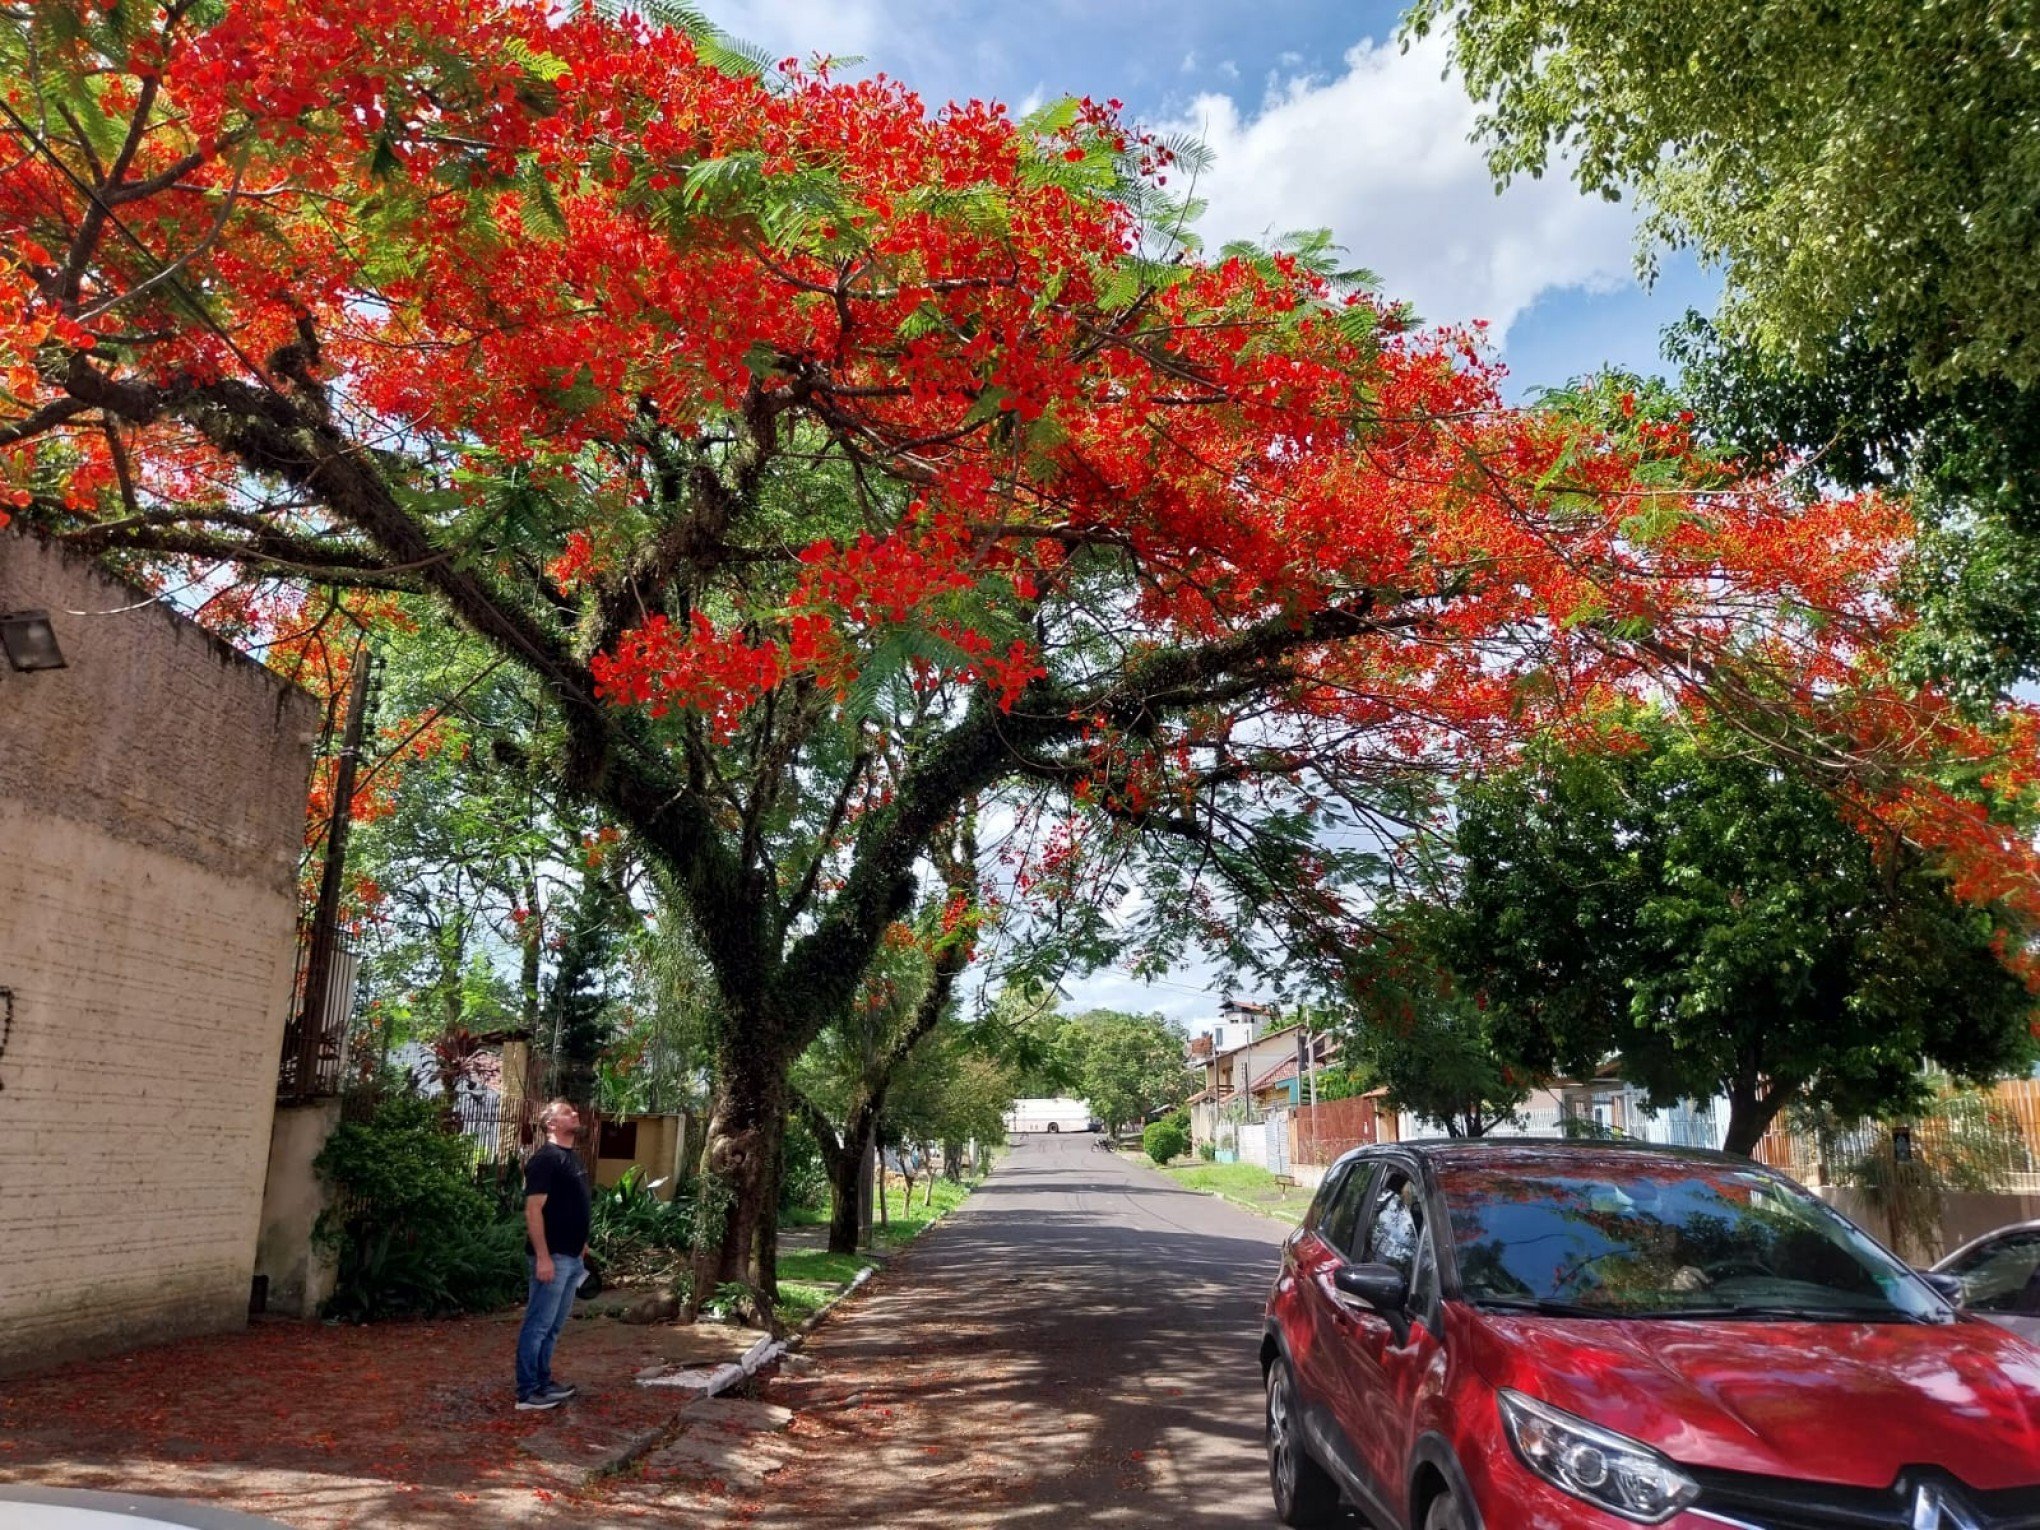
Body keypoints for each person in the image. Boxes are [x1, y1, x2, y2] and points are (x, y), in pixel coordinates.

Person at [515, 1099, 592, 1411]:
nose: (575, 1113)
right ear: (550, 1124)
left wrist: (582, 1243)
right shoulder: (546, 1159)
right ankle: (528, 1391)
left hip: (572, 1257)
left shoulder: (571, 1158)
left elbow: (573, 1205)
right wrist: (543, 1256)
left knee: (554, 1326)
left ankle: (544, 1382)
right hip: (554, 1257)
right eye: (566, 1112)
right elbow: (534, 1210)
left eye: (574, 1110)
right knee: (538, 1324)